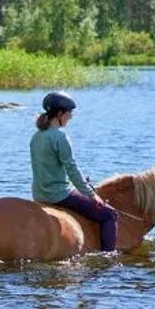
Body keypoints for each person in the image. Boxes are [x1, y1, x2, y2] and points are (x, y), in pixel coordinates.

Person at [29, 90, 118, 252]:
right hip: (59, 195)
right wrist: (92, 196)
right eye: (69, 112)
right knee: (109, 215)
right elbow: (72, 169)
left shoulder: (36, 136)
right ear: (60, 114)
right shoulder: (60, 137)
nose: (71, 116)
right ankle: (108, 258)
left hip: (39, 193)